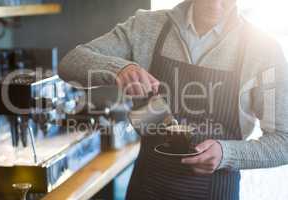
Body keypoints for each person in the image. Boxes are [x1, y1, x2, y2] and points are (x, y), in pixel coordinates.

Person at [59, 0, 288, 199]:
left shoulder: (263, 50)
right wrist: (118, 69)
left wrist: (227, 154)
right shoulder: (147, 26)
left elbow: (284, 141)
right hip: (146, 189)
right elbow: (70, 63)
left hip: (216, 191)